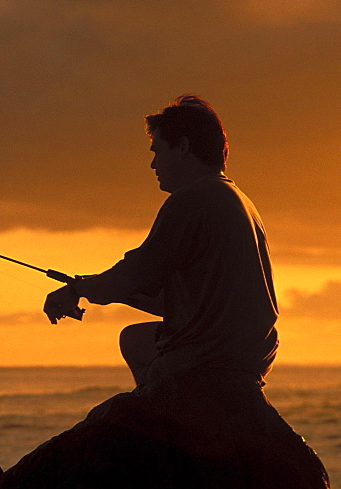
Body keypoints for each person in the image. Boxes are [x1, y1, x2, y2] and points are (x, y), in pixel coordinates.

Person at [43, 95, 278, 387]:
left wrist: (78, 288)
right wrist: (86, 288)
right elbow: (174, 301)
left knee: (108, 423)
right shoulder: (237, 199)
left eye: (158, 151)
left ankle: (157, 411)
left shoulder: (193, 199)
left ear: (182, 147)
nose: (153, 164)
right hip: (248, 353)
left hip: (210, 355)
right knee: (135, 339)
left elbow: (135, 275)